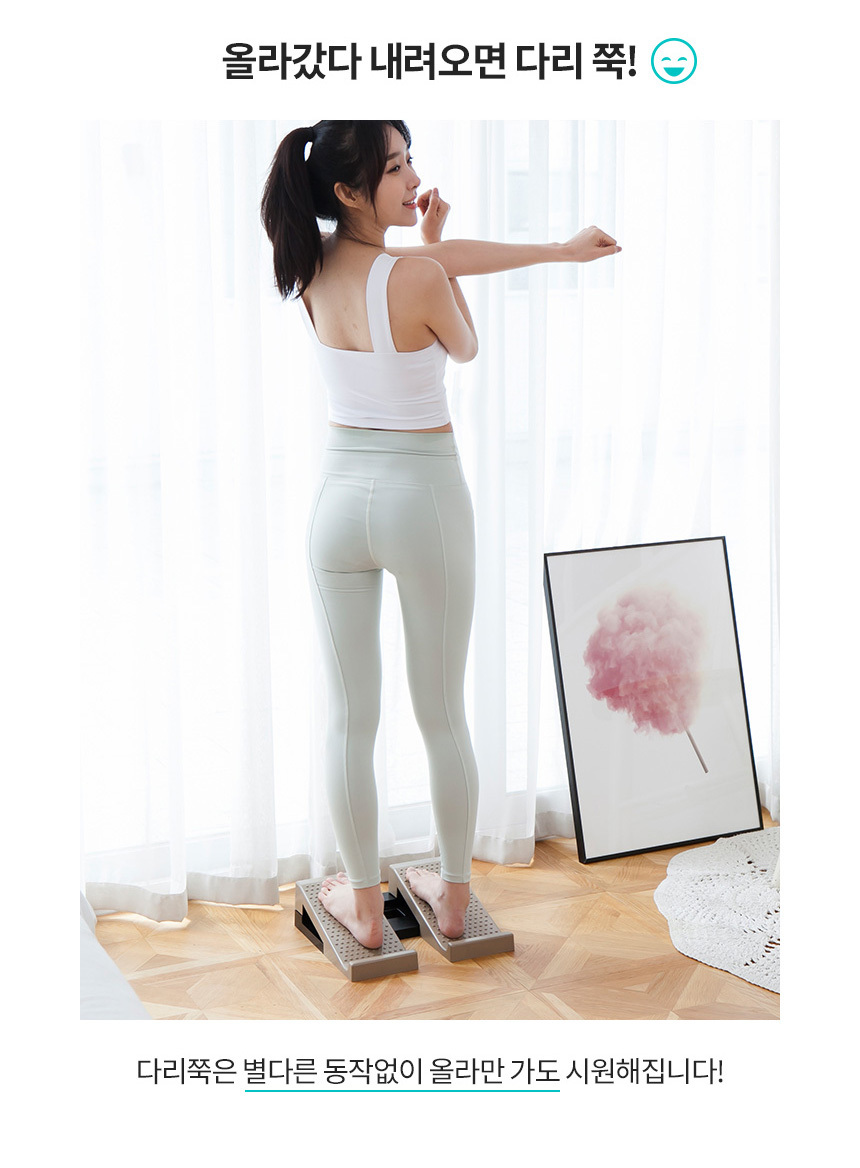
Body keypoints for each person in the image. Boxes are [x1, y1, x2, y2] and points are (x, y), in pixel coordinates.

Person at [261, 120, 620, 949]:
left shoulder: (306, 263)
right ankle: (452, 903)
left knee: (349, 721)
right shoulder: (418, 274)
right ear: (349, 191)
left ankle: (363, 908)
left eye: (409, 159)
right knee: (441, 715)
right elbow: (465, 341)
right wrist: (447, 250)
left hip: (337, 506)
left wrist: (519, 251)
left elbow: (429, 263)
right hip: (422, 500)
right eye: (396, 167)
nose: (413, 177)